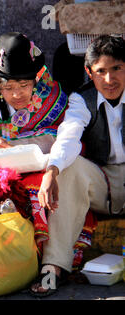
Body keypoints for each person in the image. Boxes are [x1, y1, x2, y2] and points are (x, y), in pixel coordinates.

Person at [0, 32, 97, 278]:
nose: (17, 94)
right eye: (8, 87)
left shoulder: (54, 100)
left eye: (24, 86)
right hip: (3, 174)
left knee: (50, 187)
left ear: (36, 79)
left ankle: (39, 259)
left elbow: (70, 142)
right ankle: (2, 262)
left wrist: (26, 143)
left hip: (45, 171)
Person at [29, 35, 124, 297]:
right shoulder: (82, 100)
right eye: (101, 71)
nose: (109, 80)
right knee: (68, 168)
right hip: (102, 180)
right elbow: (69, 135)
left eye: (117, 68)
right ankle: (53, 267)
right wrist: (52, 171)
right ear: (89, 73)